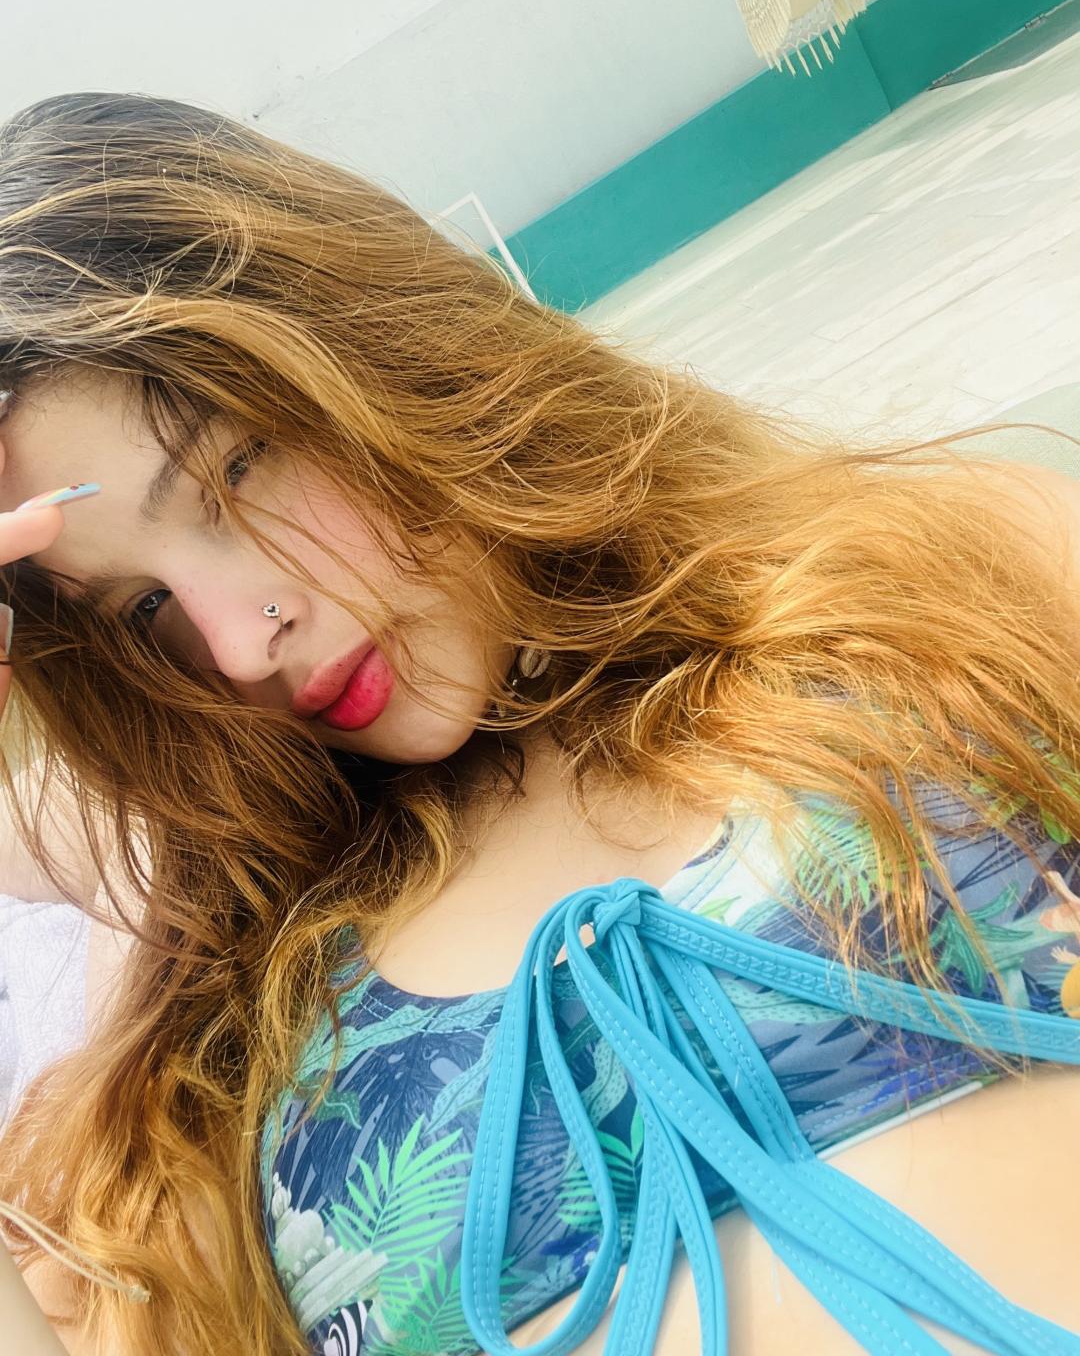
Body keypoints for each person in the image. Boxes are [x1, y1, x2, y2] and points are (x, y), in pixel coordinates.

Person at [0, 90, 1077, 1356]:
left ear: (368, 346)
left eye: (236, 475)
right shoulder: (217, 1045)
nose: (239, 644)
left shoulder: (935, 581)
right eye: (143, 610)